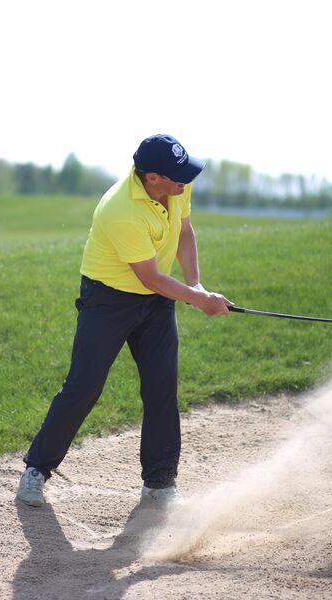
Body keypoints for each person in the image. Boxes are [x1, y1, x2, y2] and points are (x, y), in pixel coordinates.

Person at [17, 134, 233, 508]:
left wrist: (196, 284)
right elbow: (148, 275)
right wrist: (199, 301)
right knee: (84, 386)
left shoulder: (177, 188)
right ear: (151, 178)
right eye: (176, 175)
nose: (185, 181)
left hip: (156, 301)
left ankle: (160, 484)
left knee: (161, 387)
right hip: (108, 300)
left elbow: (183, 231)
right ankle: (36, 469)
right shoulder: (121, 209)